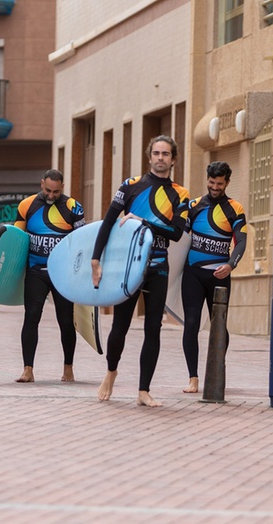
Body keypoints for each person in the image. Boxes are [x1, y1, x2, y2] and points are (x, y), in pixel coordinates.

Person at [92, 135, 189, 407]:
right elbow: (108, 222)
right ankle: (111, 372)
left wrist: (142, 221)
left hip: (158, 266)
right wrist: (95, 259)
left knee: (152, 330)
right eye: (156, 153)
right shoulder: (131, 186)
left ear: (173, 159)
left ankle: (143, 390)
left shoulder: (180, 194)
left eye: (166, 154)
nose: (161, 158)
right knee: (119, 326)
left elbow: (176, 233)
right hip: (128, 268)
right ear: (149, 156)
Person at [180, 162, 247, 393]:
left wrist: (230, 265)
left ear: (227, 183)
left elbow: (242, 241)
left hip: (220, 276)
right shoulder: (195, 206)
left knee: (219, 325)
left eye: (219, 184)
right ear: (207, 179)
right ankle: (193, 377)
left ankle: (217, 365)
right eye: (211, 182)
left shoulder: (235, 209)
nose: (215, 187)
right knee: (191, 323)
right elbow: (179, 239)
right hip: (193, 274)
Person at [14, 169, 85, 383]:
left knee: (65, 321)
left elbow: (82, 243)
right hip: (36, 271)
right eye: (47, 190)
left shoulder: (74, 207)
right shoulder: (26, 205)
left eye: (55, 191)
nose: (51, 195)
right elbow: (17, 240)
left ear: (62, 187)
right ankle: (28, 369)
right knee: (31, 316)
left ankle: (68, 368)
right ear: (41, 183)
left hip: (62, 274)